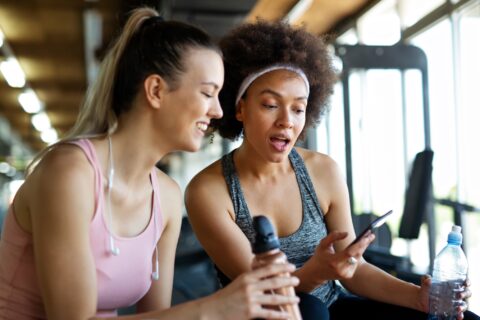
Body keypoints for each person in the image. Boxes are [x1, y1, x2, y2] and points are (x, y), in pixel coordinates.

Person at [0, 8, 301, 320]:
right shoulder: (70, 172)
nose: (217, 112)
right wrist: (216, 308)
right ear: (156, 90)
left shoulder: (167, 197)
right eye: (207, 93)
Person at [185, 20, 478, 319]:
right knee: (310, 309)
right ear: (239, 108)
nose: (287, 121)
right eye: (271, 104)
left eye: (298, 108)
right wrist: (316, 272)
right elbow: (262, 291)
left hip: (330, 305)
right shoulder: (208, 191)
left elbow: (354, 270)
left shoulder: (323, 171)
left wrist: (420, 297)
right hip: (259, 312)